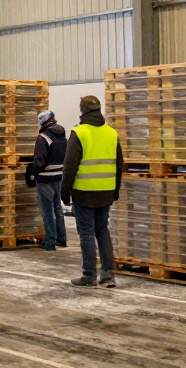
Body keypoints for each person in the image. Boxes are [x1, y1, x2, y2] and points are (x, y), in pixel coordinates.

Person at [61, 95, 123, 287]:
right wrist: (115, 190)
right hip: (105, 191)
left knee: (87, 233)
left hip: (84, 192)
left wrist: (65, 191)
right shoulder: (111, 133)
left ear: (83, 111)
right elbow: (119, 164)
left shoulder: (79, 133)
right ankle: (107, 275)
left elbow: (70, 166)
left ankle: (88, 275)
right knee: (102, 231)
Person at [26, 110, 68, 250]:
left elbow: (39, 160)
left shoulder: (43, 137)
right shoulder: (62, 135)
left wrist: (33, 173)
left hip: (45, 178)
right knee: (57, 208)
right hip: (58, 176)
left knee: (47, 210)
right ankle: (61, 239)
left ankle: (50, 242)